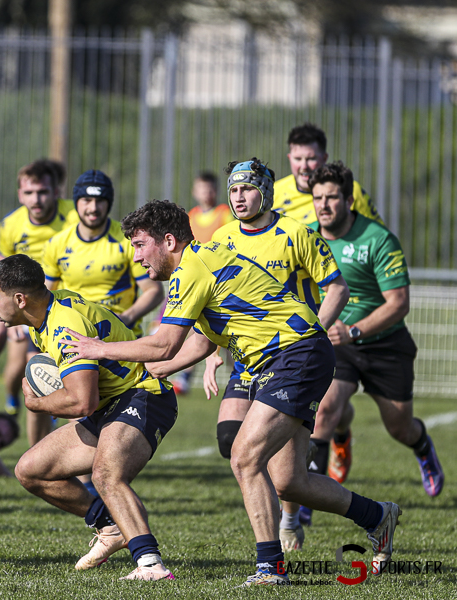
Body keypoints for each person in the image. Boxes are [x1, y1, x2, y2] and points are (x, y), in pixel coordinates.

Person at [61, 200, 401, 586]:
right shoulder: (202, 261)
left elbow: (164, 345)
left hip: (294, 354)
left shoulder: (191, 268)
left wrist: (99, 349)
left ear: (168, 241)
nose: (136, 257)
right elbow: (196, 345)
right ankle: (377, 516)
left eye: (140, 245)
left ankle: (270, 570)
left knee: (244, 457)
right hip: (295, 354)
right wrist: (145, 371)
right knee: (290, 481)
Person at [0, 255, 178, 581]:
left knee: (106, 473)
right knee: (31, 471)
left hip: (143, 396)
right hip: (110, 404)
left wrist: (38, 404)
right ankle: (110, 527)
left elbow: (82, 401)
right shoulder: (44, 314)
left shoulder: (63, 326)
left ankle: (150, 564)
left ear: (19, 299)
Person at [197, 159, 349, 552]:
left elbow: (337, 289)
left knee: (283, 472)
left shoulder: (296, 233)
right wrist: (214, 353)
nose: (239, 197)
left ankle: (288, 517)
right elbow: (219, 301)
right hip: (247, 358)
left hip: (290, 358)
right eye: (233, 190)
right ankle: (280, 497)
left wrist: (311, 332)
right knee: (231, 439)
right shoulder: (224, 237)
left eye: (247, 189)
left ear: (265, 191)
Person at [308, 161, 444, 498]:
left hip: (384, 342)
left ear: (350, 200)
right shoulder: (306, 238)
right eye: (318, 197)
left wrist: (353, 330)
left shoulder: (378, 238)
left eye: (332, 197)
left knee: (400, 427)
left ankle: (423, 447)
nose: (324, 204)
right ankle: (306, 500)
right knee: (323, 410)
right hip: (336, 342)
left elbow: (398, 302)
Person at [0, 159, 76, 442]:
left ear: (56, 192)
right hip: (25, 307)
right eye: (29, 193)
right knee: (24, 370)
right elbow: (2, 267)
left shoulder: (73, 217)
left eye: (42, 192)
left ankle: (62, 452)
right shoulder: (10, 225)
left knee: (52, 378)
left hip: (63, 308)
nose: (36, 199)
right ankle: (14, 403)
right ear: (20, 195)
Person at [41, 170, 163, 333]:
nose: (93, 208)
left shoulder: (127, 241)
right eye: (87, 200)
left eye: (100, 201)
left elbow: (154, 291)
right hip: (72, 332)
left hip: (120, 335)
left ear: (109, 203)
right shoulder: (56, 244)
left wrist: (125, 318)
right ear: (76, 202)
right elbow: (45, 296)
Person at [172, 171, 234, 393]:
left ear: (216, 191)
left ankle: (243, 373)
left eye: (210, 189)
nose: (206, 193)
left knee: (226, 333)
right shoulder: (191, 216)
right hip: (197, 280)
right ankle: (184, 377)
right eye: (202, 189)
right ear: (195, 192)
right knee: (194, 326)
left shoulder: (224, 214)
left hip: (219, 279)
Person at [273, 123, 383, 225]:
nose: (304, 166)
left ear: (324, 158)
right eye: (297, 159)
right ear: (289, 158)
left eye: (311, 159)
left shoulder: (351, 190)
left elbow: (379, 237)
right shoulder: (273, 193)